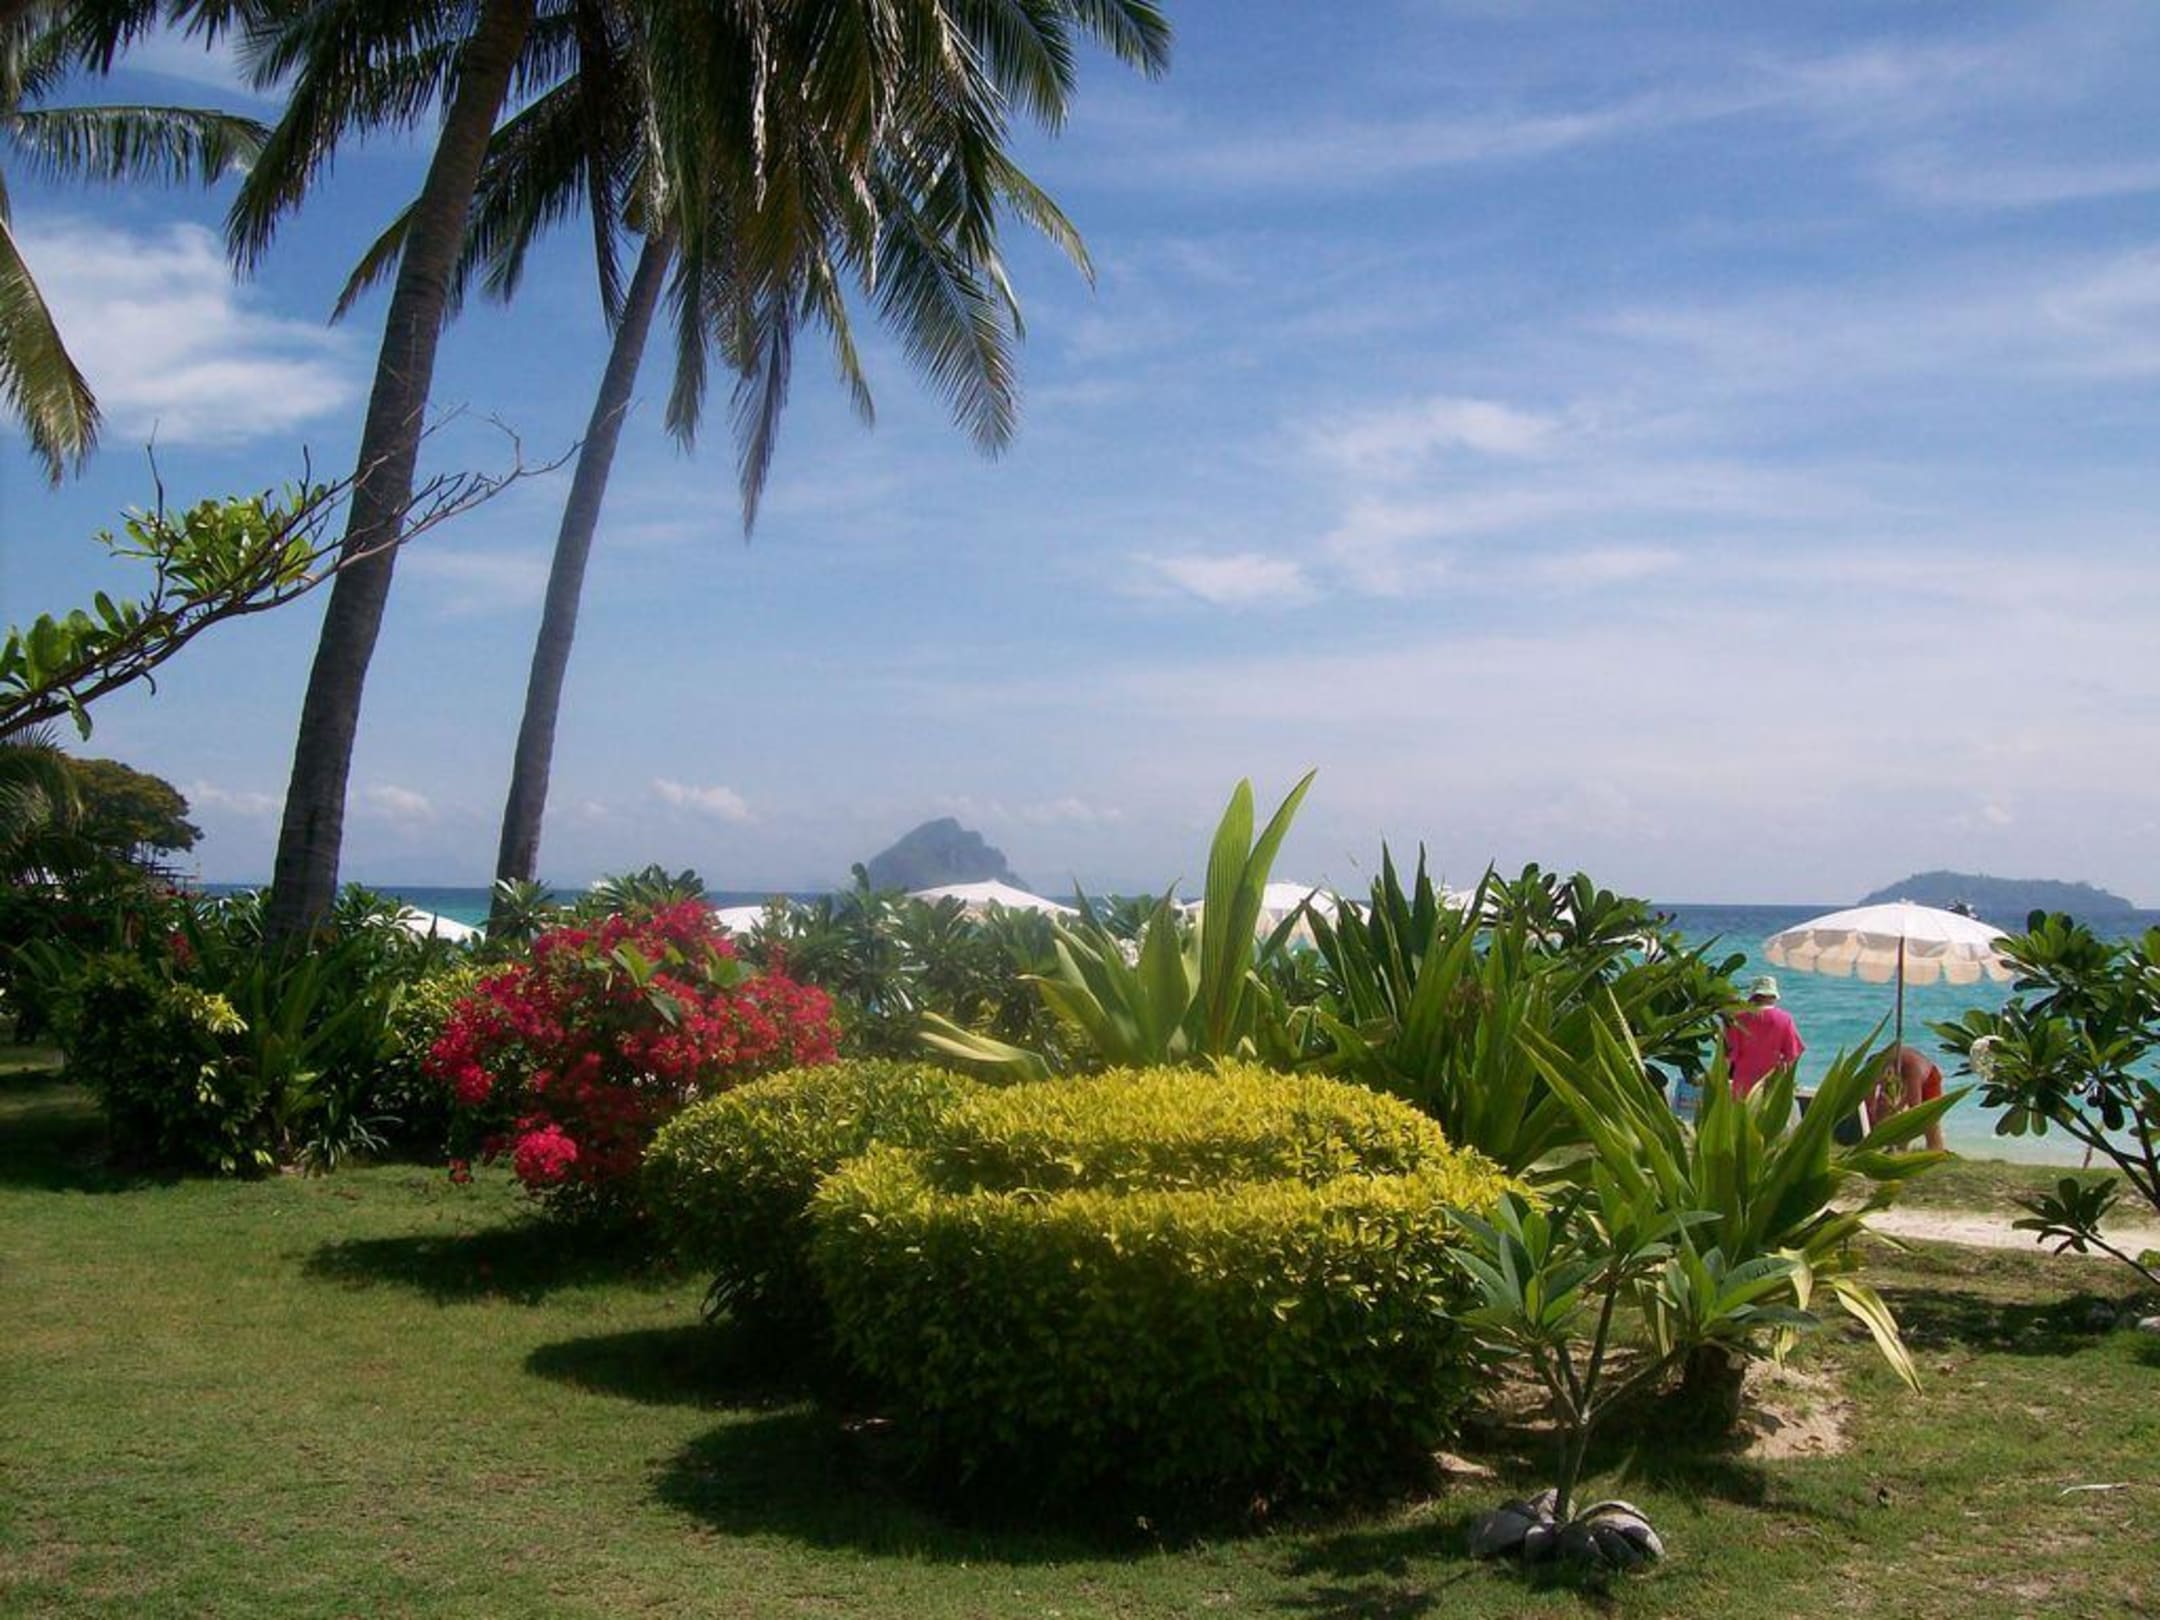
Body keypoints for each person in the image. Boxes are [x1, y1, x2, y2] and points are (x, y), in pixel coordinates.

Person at [1723, 975, 1804, 1097]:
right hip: (1771, 1082)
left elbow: (1730, 1055)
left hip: (1743, 1082)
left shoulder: (1738, 1018)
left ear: (1753, 996)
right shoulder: (1785, 1019)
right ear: (1774, 996)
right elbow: (1792, 1055)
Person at [1870, 1045, 1947, 1152]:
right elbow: (1870, 1099)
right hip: (1899, 1071)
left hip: (1929, 1077)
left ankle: (1935, 1150)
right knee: (1882, 1108)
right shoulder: (1879, 1067)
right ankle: (1883, 1146)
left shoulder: (1911, 1069)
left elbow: (1915, 1107)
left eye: (1884, 1077)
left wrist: (1896, 1109)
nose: (1882, 1081)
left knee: (1930, 1120)